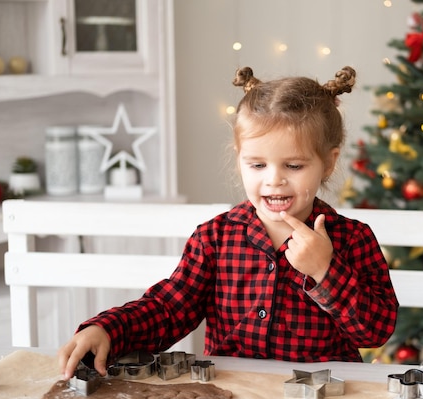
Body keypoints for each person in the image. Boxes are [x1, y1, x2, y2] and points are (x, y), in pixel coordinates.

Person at [58, 66, 399, 379]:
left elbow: (375, 331)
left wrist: (325, 271)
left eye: (293, 166)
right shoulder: (215, 238)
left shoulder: (352, 238)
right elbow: (169, 309)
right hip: (234, 396)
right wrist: (107, 329)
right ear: (239, 160)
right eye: (257, 165)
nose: (274, 180)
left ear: (327, 163)